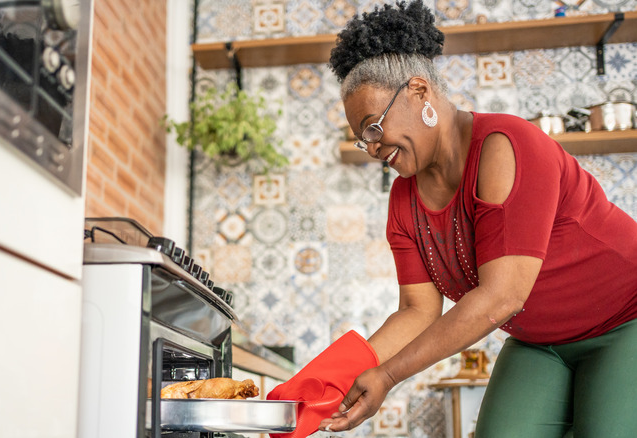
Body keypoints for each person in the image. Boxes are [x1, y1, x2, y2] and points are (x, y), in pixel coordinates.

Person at [267, 1, 637, 437]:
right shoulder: (404, 201)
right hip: (541, 344)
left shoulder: (507, 146)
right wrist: (314, 388)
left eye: (372, 128)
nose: (370, 148)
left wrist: (387, 376)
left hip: (625, 319)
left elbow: (502, 297)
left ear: (419, 93)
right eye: (360, 138)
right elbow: (416, 311)